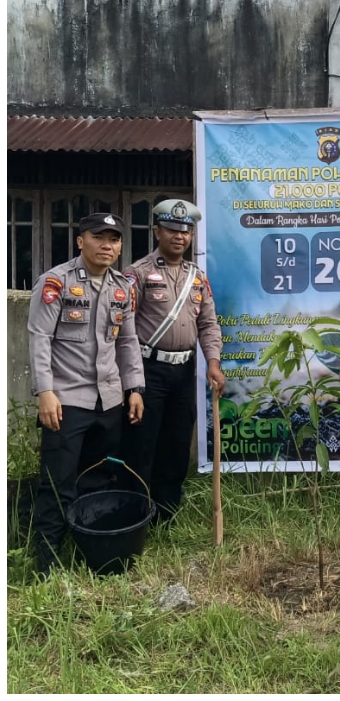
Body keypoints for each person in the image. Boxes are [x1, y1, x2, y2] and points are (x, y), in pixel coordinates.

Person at [26, 212, 145, 576]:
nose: (107, 245)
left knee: (98, 480)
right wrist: (45, 391)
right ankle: (45, 562)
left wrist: (135, 387)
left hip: (108, 402)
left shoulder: (122, 287)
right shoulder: (55, 282)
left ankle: (89, 550)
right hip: (67, 402)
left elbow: (127, 341)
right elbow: (39, 338)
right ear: (81, 241)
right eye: (98, 237)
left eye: (114, 239)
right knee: (57, 482)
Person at [119, 199, 226, 524]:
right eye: (171, 229)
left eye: (185, 230)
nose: (179, 236)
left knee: (177, 443)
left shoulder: (197, 277)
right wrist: (132, 381)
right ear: (157, 231)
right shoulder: (137, 274)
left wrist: (213, 361)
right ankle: (135, 515)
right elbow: (124, 329)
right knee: (142, 445)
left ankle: (165, 515)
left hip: (184, 371)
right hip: (148, 371)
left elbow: (208, 324)